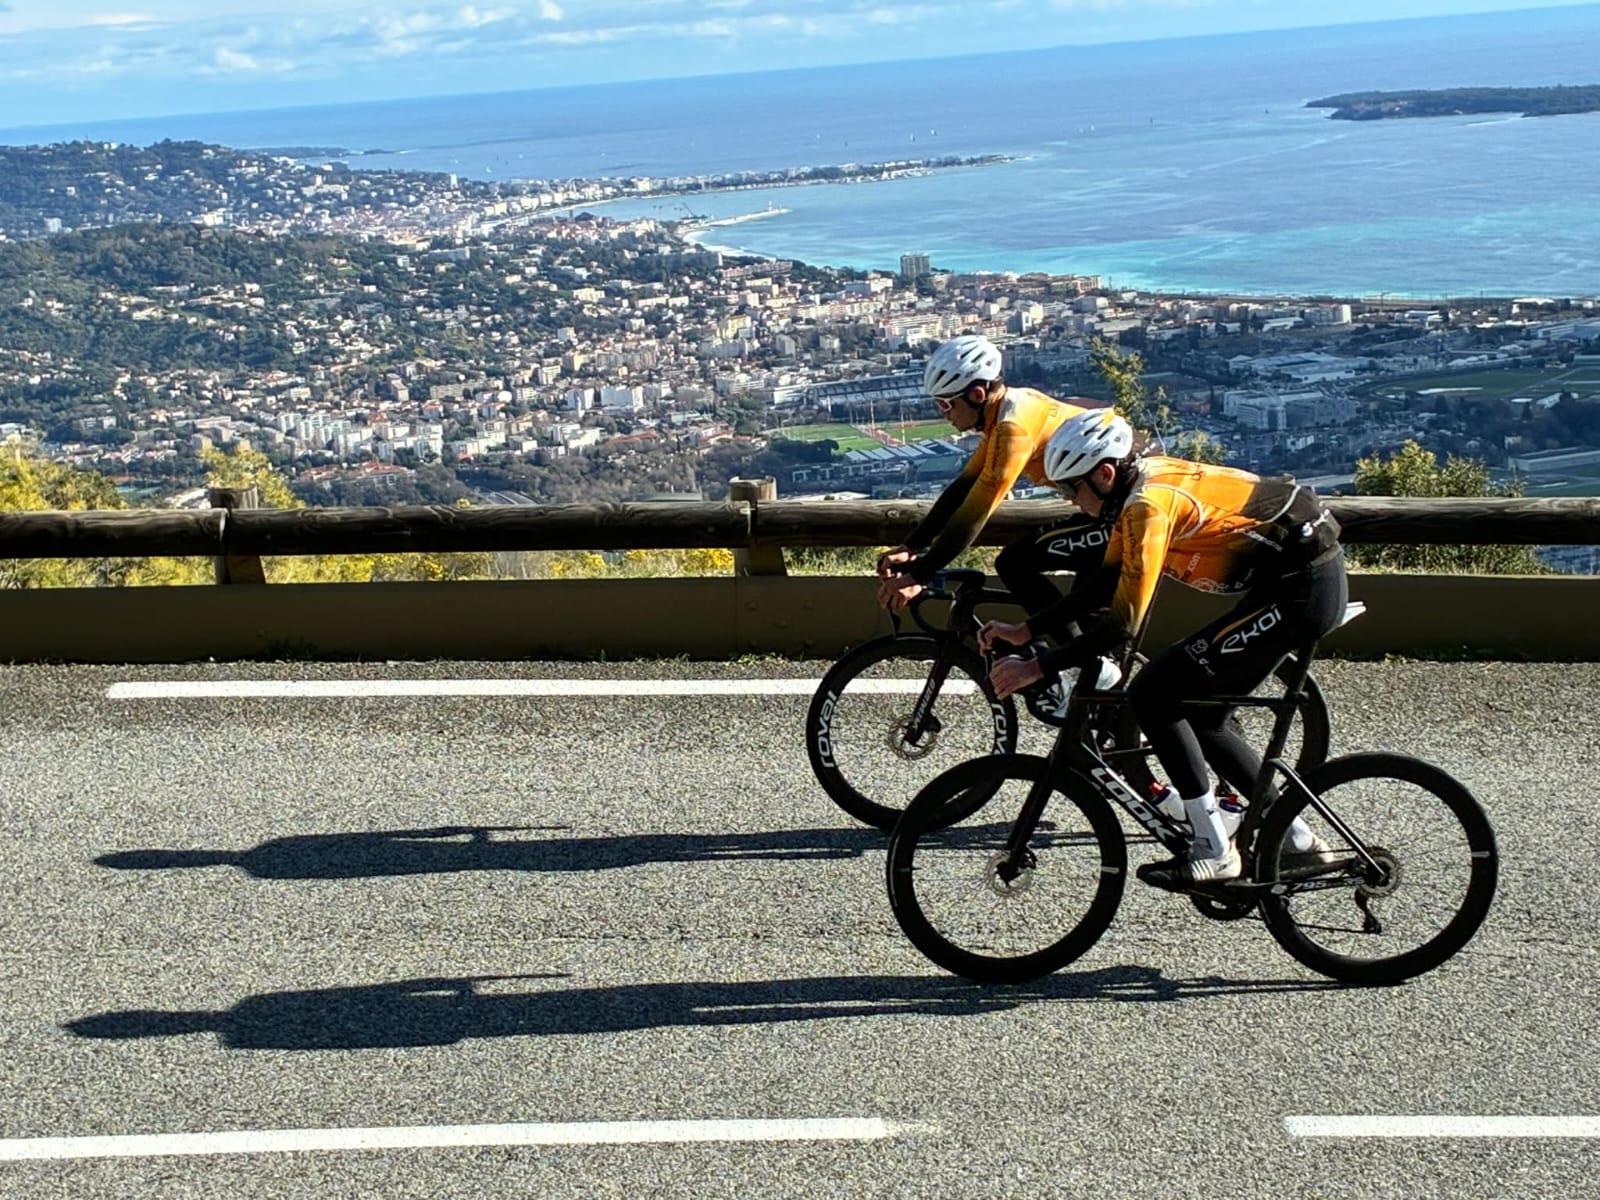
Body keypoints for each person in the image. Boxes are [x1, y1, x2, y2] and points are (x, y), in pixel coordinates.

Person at [981, 408, 1347, 886]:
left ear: (1104, 474)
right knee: (1203, 717)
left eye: (1072, 489)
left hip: (1301, 591)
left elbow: (1122, 624)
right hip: (1289, 581)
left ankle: (1215, 849)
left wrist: (1038, 667)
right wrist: (1028, 631)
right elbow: (1105, 583)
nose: (1071, 500)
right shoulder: (1134, 489)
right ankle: (1295, 840)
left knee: (1154, 693)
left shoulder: (1147, 506)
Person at [875, 333, 1110, 641]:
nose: (943, 413)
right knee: (1083, 621)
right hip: (1105, 513)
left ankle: (1082, 661)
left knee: (1015, 563)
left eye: (945, 404)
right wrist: (912, 548)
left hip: (1122, 515)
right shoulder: (1005, 413)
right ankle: (1084, 661)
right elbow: (963, 488)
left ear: (976, 394)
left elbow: (974, 514)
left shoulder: (1013, 429)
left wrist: (919, 575)